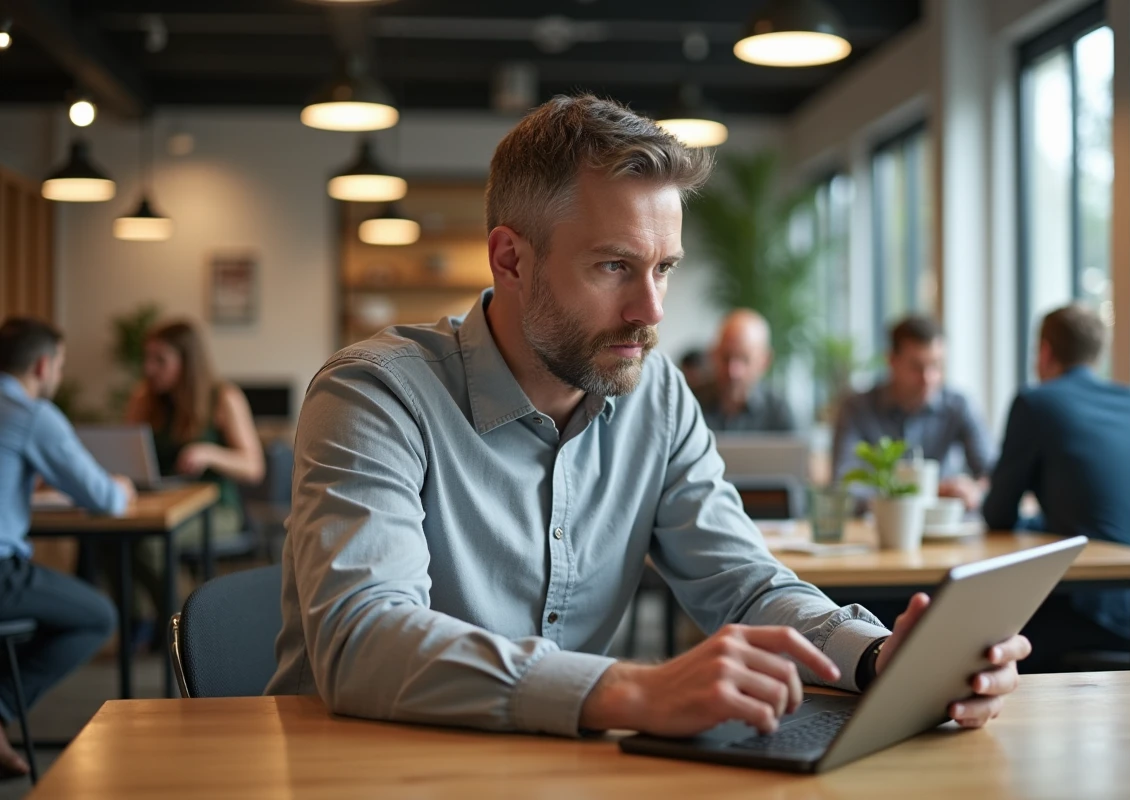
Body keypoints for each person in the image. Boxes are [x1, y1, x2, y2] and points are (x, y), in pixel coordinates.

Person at [267, 94, 1028, 739]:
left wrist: (875, 657)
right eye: (614, 267)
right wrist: (629, 691)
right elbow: (361, 638)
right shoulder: (374, 394)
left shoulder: (654, 394)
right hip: (367, 768)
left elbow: (744, 585)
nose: (651, 310)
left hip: (564, 769)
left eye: (664, 268)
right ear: (511, 260)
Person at [983, 305, 1130, 669]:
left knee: (984, 637)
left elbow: (998, 515)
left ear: (1045, 351)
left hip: (1102, 619)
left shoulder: (1036, 402)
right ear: (1097, 353)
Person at [0, 317, 134, 777]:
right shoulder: (30, 414)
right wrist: (123, 487)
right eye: (59, 363)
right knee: (97, 616)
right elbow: (104, 499)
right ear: (42, 365)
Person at [122, 320, 263, 643]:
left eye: (161, 360)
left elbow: (253, 466)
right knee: (110, 541)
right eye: (148, 358)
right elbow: (128, 450)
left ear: (187, 361)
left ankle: (184, 632)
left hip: (216, 509)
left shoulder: (223, 397)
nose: (149, 368)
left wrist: (210, 453)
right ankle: (142, 621)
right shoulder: (146, 398)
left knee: (150, 543)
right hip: (162, 503)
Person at [832, 316, 993, 510]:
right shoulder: (857, 408)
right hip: (880, 531)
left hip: (946, 530)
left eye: (936, 365)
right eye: (917, 367)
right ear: (892, 361)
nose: (928, 379)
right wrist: (925, 493)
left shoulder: (958, 406)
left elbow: (994, 473)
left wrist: (975, 490)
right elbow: (844, 486)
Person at [692, 309, 799, 433]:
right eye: (726, 357)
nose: (733, 371)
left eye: (744, 359)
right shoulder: (690, 402)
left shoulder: (778, 411)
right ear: (714, 353)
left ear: (764, 361)